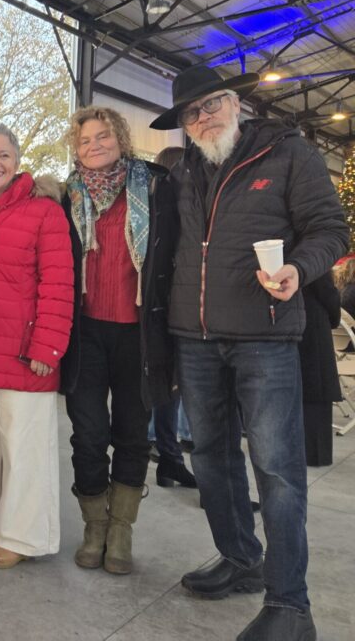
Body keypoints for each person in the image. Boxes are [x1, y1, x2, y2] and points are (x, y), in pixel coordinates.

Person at [151, 64, 348, 641]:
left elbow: (331, 229)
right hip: (194, 338)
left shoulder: (287, 153)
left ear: (236, 103)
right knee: (211, 459)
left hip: (265, 336)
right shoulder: (183, 172)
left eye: (210, 104)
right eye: (191, 113)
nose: (202, 118)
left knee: (277, 471)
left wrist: (298, 269)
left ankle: (290, 606)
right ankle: (241, 557)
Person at [60, 105, 176, 575]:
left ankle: (121, 529)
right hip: (85, 332)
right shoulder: (65, 195)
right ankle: (95, 526)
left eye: (103, 136)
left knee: (131, 432)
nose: (94, 146)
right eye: (85, 140)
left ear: (120, 138)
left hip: (138, 331)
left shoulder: (154, 187)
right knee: (88, 435)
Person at [0, 125, 73, 568]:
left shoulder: (44, 212)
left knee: (24, 449)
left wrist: (48, 347)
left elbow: (58, 284)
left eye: (3, 154)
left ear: (17, 160)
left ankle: (20, 535)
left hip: (24, 352)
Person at [148, 144, 197, 490]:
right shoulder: (177, 210)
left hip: (163, 311)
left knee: (169, 391)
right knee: (181, 391)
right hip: (177, 311)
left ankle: (170, 460)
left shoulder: (157, 207)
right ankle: (173, 460)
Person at [299, 273, 342, 466]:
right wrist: (334, 316)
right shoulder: (315, 261)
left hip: (290, 323)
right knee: (318, 388)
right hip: (314, 324)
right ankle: (316, 454)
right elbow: (328, 294)